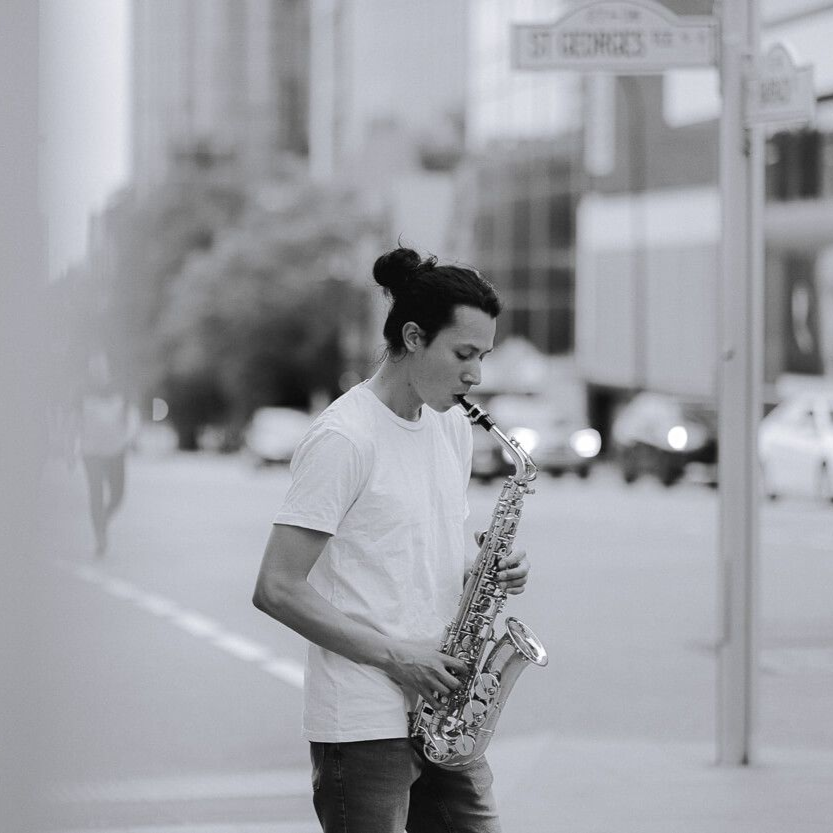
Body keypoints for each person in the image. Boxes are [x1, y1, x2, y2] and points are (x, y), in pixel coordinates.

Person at [253, 247, 530, 833]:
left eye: (482, 356)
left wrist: (479, 570)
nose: (476, 374)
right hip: (362, 719)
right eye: (463, 354)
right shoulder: (344, 438)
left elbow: (411, 555)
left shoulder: (451, 426)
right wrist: (397, 657)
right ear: (412, 337)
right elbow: (276, 588)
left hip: (444, 707)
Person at [74, 353, 139, 556]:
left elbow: (130, 415)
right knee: (96, 492)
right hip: (91, 450)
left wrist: (131, 437)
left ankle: (102, 520)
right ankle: (100, 538)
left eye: (101, 365)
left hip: (115, 450)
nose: (97, 370)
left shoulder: (120, 388)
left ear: (107, 367)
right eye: (93, 366)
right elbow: (75, 420)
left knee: (118, 495)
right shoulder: (81, 390)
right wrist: (69, 446)